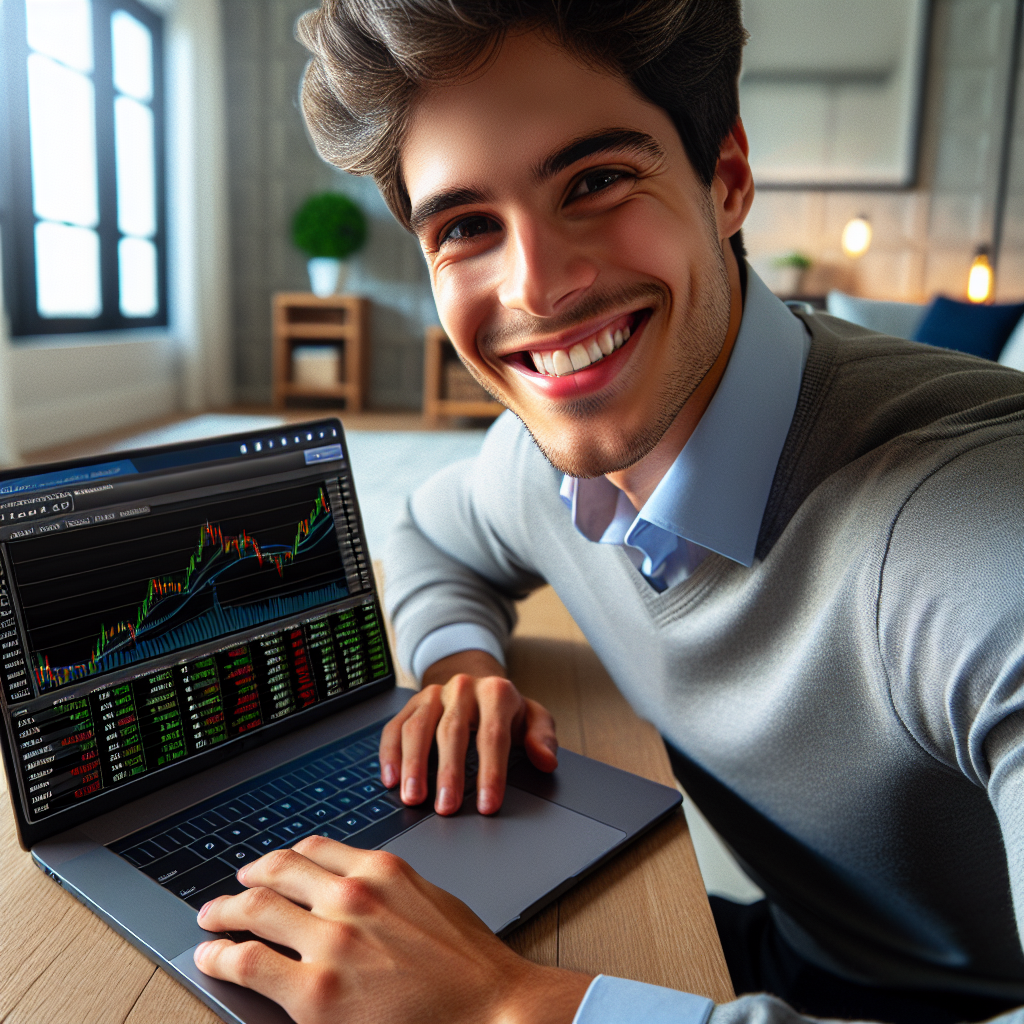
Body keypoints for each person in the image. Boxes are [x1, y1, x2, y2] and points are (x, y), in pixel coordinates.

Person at [193, 2, 1024, 1022]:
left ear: (726, 178)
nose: (536, 287)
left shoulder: (982, 534)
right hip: (801, 947)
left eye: (595, 181)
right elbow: (423, 530)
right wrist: (460, 666)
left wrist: (504, 1009)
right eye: (465, 227)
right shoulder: (538, 465)